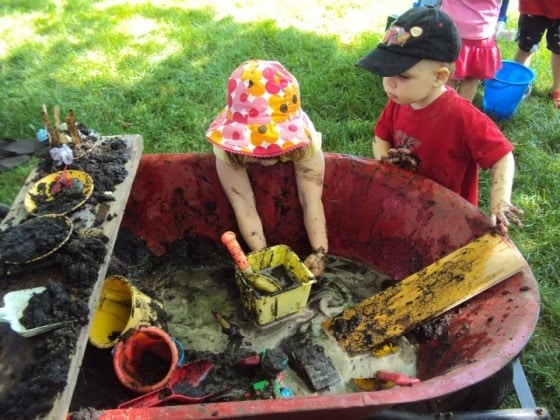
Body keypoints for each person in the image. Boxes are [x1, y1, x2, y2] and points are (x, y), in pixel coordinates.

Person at [356, 6, 523, 234]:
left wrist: (500, 199)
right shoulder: (400, 101)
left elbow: (502, 155)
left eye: (403, 75)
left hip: (448, 215)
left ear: (439, 77)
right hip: (406, 200)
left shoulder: (461, 116)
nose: (390, 83)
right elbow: (381, 136)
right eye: (387, 71)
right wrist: (385, 161)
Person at [206, 59, 328, 278]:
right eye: (253, 148)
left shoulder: (306, 144)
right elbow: (243, 204)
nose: (265, 160)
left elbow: (311, 199)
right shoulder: (228, 151)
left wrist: (320, 252)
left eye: (274, 146)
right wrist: (264, 260)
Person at [440, 0, 503, 101]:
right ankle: (461, 113)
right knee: (472, 77)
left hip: (452, 24)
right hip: (482, 28)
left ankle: (444, 109)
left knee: (447, 74)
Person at [513, 1, 560, 108]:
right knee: (526, 48)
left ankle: (557, 89)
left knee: (559, 50)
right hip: (534, 6)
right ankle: (516, 84)